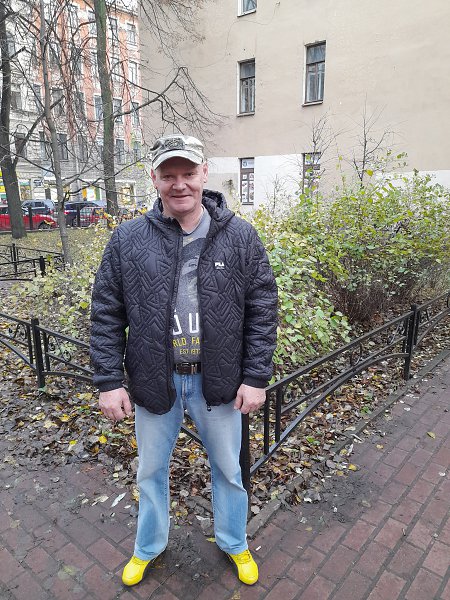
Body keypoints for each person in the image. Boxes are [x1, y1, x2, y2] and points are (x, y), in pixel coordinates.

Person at [90, 134, 278, 587]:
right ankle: (148, 547)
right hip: (156, 379)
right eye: (168, 174)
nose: (180, 184)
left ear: (204, 173)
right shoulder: (129, 239)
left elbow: (263, 307)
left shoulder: (239, 236)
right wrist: (109, 381)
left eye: (188, 173)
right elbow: (106, 311)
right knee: (150, 471)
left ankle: (234, 541)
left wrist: (255, 376)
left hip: (218, 381)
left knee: (229, 470)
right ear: (154, 178)